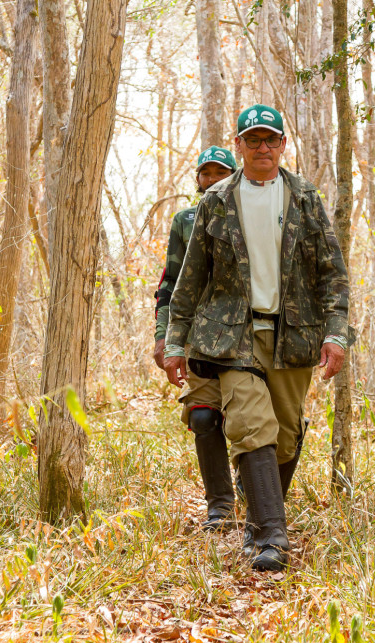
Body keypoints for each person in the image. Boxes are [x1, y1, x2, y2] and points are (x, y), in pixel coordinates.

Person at [163, 105, 351, 572]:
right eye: (254, 140)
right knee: (250, 424)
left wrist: (337, 333)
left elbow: (331, 273)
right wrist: (172, 342)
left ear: (283, 145)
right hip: (230, 337)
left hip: (293, 334)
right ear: (240, 145)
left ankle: (258, 519)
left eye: (271, 140)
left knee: (285, 437)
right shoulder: (217, 201)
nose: (263, 148)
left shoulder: (305, 197)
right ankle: (271, 536)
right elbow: (188, 280)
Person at [153, 146, 238, 531]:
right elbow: (169, 284)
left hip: (249, 339)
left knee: (253, 420)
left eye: (220, 173)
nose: (212, 180)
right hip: (199, 337)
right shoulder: (185, 220)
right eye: (206, 173)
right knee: (204, 417)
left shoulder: (251, 215)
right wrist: (164, 338)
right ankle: (220, 505)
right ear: (197, 179)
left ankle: (260, 501)